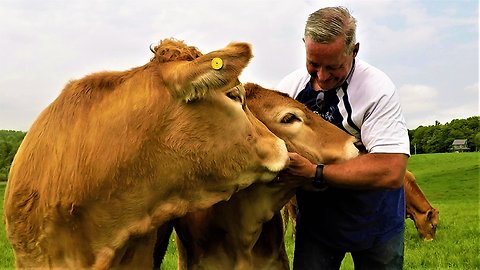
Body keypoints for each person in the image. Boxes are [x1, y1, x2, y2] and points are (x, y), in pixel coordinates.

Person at [275, 6, 410, 270]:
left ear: (355, 50)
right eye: (313, 64)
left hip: (375, 224)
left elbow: (391, 169)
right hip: (317, 227)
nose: (322, 76)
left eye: (334, 66)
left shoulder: (376, 91)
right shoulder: (289, 90)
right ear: (305, 45)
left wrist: (315, 172)